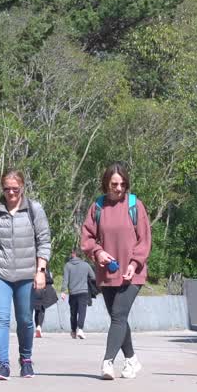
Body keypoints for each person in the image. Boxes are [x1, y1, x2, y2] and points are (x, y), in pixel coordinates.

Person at [0, 169, 52, 380]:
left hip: (28, 274)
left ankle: (26, 360)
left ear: (22, 188)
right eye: (7, 189)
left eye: (15, 189)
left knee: (26, 320)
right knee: (0, 319)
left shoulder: (34, 209)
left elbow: (44, 241)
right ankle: (2, 365)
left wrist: (41, 271)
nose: (11, 193)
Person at [79, 163, 152, 380]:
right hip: (107, 273)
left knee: (118, 315)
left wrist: (133, 263)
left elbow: (144, 240)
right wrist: (98, 252)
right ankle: (131, 359)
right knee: (117, 318)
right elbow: (87, 238)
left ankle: (107, 362)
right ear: (106, 184)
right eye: (114, 184)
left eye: (122, 184)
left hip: (133, 272)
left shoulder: (135, 205)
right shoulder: (98, 207)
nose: (118, 188)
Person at [60, 249, 96, 339]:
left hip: (73, 293)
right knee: (82, 312)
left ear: (74, 254)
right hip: (83, 292)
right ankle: (80, 329)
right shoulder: (86, 265)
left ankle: (73, 331)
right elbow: (93, 277)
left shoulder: (67, 265)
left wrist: (63, 291)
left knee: (73, 313)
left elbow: (65, 280)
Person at [31, 268, 57, 338]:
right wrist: (51, 280)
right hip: (42, 289)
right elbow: (48, 278)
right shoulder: (43, 266)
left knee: (35, 310)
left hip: (32, 289)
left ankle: (31, 328)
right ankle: (39, 327)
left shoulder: (30, 263)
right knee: (41, 310)